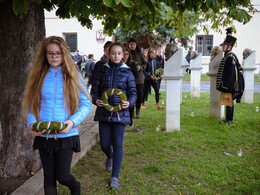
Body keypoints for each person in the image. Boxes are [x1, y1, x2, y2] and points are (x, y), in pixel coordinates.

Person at [23, 36, 91, 194]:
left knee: (63, 176)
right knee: (49, 177)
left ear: (65, 54)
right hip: (44, 135)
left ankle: (75, 187)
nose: (54, 57)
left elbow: (86, 104)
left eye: (58, 53)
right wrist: (31, 124)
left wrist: (73, 122)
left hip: (66, 136)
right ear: (45, 54)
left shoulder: (74, 75)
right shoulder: (39, 76)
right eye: (50, 53)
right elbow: (31, 105)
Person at [91, 43, 137, 189]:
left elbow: (133, 92)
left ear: (123, 54)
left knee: (117, 144)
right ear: (108, 54)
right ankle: (109, 156)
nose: (116, 56)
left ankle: (114, 178)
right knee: (104, 144)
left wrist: (129, 103)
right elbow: (95, 89)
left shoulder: (128, 72)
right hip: (104, 112)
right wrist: (95, 99)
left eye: (119, 53)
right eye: (113, 53)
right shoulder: (102, 70)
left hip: (120, 114)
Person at [216, 28, 244, 124]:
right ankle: (227, 119)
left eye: (224, 45)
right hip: (227, 85)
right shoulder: (229, 56)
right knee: (228, 102)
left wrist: (226, 86)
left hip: (229, 85)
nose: (222, 47)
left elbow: (231, 74)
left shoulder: (230, 57)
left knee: (229, 102)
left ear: (229, 46)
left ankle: (229, 120)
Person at [128, 38, 147, 118]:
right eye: (131, 44)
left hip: (139, 79)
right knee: (130, 96)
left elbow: (145, 64)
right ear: (128, 45)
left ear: (136, 45)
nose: (132, 46)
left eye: (134, 44)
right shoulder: (126, 53)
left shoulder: (139, 54)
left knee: (139, 95)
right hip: (129, 78)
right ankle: (131, 112)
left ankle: (138, 111)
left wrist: (140, 67)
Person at [122, 48, 139, 127]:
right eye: (124, 54)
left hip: (129, 86)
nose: (125, 56)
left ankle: (130, 118)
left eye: (127, 54)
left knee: (130, 104)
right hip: (121, 87)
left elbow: (136, 76)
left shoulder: (132, 64)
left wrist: (131, 83)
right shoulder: (119, 63)